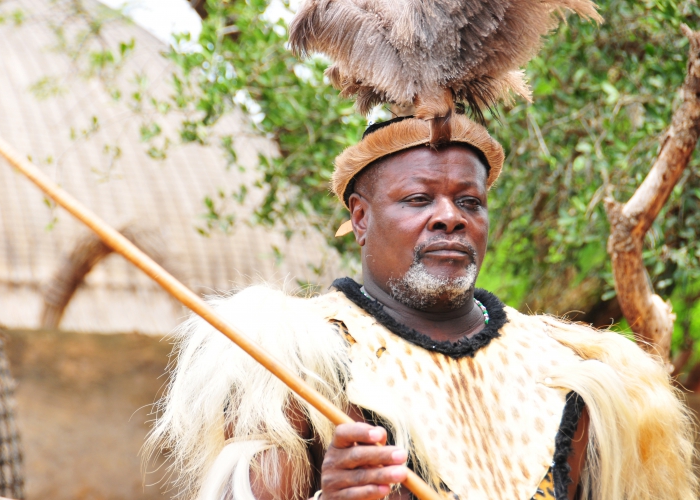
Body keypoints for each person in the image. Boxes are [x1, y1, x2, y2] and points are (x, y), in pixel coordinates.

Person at [144, 2, 698, 499]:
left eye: (470, 201)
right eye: (417, 198)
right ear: (360, 218)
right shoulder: (298, 361)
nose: (450, 217)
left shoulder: (574, 371)